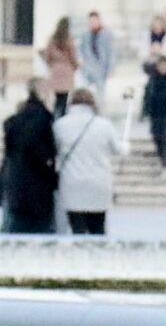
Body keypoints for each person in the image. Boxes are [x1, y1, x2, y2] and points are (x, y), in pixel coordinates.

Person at [53, 89, 125, 235]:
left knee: (77, 229)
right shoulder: (104, 125)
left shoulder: (60, 125)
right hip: (99, 183)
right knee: (98, 228)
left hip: (71, 183)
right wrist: (126, 145)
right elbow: (118, 150)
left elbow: (55, 150)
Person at [1, 80, 57, 234]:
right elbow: (46, 153)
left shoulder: (12, 123)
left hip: (16, 187)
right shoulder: (44, 120)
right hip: (39, 190)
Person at [143, 52, 166, 174]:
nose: (163, 68)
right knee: (157, 137)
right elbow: (146, 96)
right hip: (156, 114)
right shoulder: (153, 78)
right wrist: (144, 112)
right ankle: (162, 159)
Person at [41, 17, 79, 117]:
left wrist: (51, 65)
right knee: (64, 98)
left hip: (55, 70)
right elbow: (73, 57)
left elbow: (47, 56)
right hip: (66, 70)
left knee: (57, 98)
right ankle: (61, 116)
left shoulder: (52, 39)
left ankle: (55, 115)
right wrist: (75, 67)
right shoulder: (69, 39)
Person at [78, 11, 115, 105]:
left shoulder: (107, 34)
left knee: (100, 95)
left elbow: (111, 52)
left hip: (101, 69)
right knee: (85, 92)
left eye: (94, 21)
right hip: (87, 68)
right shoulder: (85, 35)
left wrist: (111, 69)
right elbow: (80, 50)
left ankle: (99, 112)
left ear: (99, 21)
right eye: (91, 21)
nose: (92, 23)